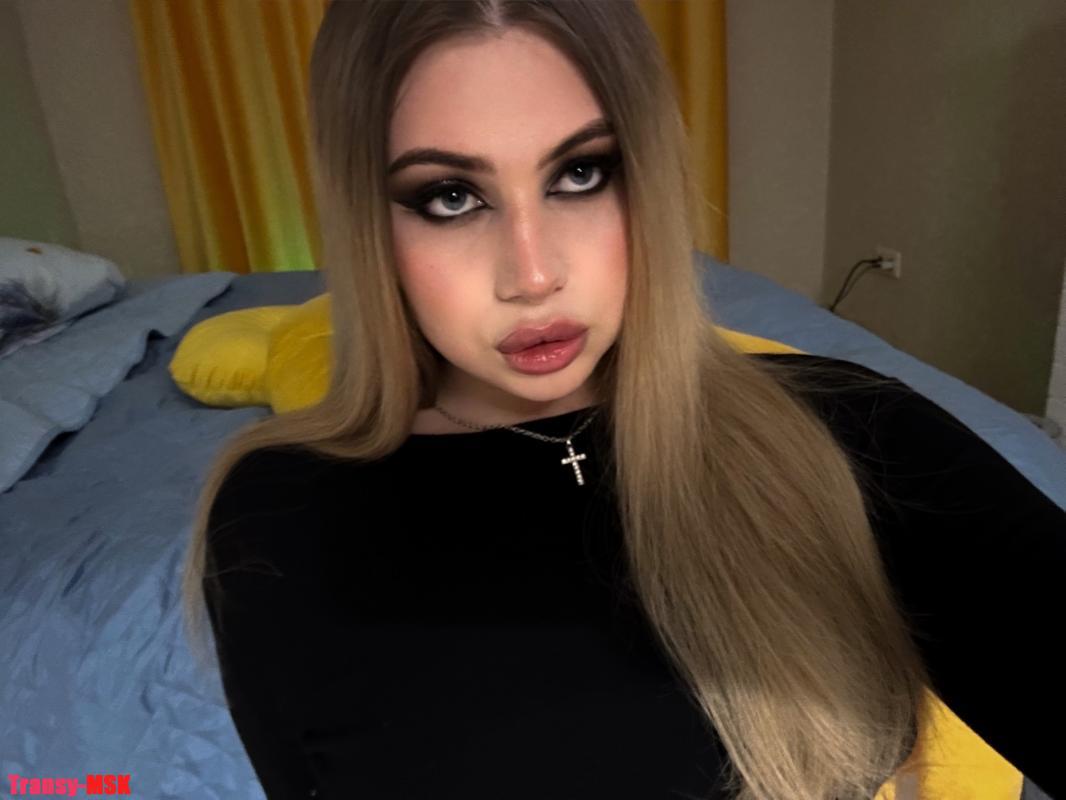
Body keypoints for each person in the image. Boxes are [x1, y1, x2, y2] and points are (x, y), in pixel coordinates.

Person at [181, 2, 1066, 799]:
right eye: (451, 197)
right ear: (368, 220)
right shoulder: (276, 516)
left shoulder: (852, 432)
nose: (534, 275)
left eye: (580, 174)